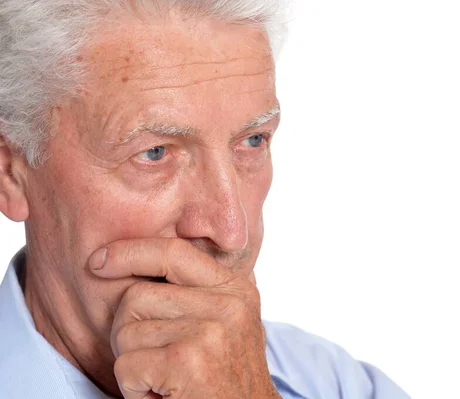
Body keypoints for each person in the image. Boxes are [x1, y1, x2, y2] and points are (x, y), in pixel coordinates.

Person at [0, 1, 410, 398]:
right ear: (11, 175)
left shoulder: (336, 383)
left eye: (251, 142)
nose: (231, 232)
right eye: (154, 153)